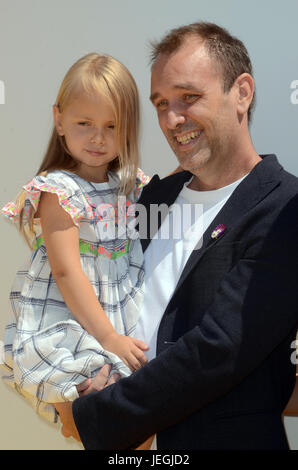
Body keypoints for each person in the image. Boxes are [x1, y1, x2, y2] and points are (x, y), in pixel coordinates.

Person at [56, 22, 298, 450]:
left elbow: (219, 349)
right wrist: (64, 383)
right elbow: (89, 287)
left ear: (242, 92)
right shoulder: (152, 198)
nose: (172, 119)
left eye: (189, 97)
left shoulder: (284, 208)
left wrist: (98, 418)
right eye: (161, 103)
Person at [1, 53, 152, 425]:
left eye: (112, 126)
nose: (98, 138)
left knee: (138, 414)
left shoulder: (129, 185)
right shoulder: (58, 190)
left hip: (122, 310)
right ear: (59, 120)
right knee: (98, 411)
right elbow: (67, 273)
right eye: (84, 123)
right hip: (75, 318)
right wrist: (110, 338)